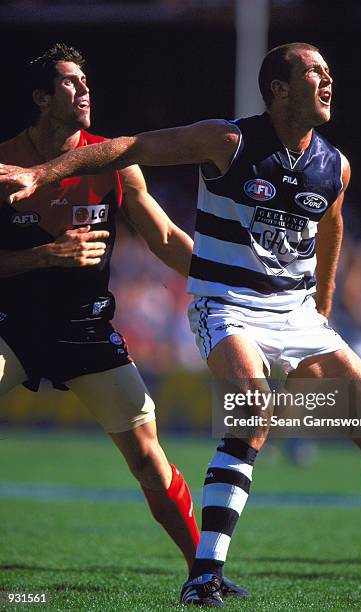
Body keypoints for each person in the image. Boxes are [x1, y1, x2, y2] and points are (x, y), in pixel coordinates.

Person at [0, 42, 361, 608]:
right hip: (227, 306)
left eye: (329, 71)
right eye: (313, 70)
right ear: (279, 90)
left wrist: (326, 299)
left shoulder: (334, 165)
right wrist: (42, 173)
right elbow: (131, 147)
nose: (327, 78)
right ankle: (205, 575)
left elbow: (332, 223)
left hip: (292, 318)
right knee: (254, 409)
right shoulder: (228, 140)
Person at [0, 43, 246, 601]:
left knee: (148, 458)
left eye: (85, 80)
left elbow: (163, 239)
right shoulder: (5, 164)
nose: (84, 89)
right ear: (41, 98)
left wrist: (228, 280)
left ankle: (204, 573)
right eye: (68, 82)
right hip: (10, 325)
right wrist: (43, 257)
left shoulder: (115, 162)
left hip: (86, 331)